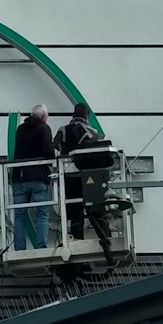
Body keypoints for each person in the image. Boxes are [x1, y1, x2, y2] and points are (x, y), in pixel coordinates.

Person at [54, 102, 116, 265]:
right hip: (90, 177)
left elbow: (56, 146)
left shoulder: (63, 130)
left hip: (69, 176)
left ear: (74, 114)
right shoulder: (93, 132)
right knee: (97, 210)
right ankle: (106, 237)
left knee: (75, 212)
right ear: (87, 116)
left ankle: (77, 239)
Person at [10, 105, 57, 250]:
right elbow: (48, 151)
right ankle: (41, 246)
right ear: (43, 117)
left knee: (19, 215)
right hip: (38, 176)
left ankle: (19, 248)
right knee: (42, 213)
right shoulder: (44, 128)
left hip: (20, 176)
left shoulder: (20, 130)